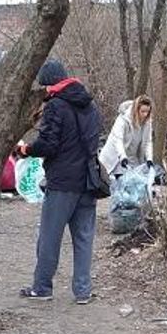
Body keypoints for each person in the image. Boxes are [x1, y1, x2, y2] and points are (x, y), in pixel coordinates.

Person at [15, 59, 102, 305]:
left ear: (49, 84)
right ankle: (83, 292)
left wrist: (25, 149)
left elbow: (48, 145)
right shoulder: (90, 106)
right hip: (88, 181)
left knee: (49, 237)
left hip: (62, 182)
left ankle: (42, 288)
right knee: (84, 239)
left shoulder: (55, 106)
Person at [99, 95, 153, 177]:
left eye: (147, 112)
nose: (145, 115)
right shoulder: (123, 119)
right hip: (115, 159)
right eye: (143, 111)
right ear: (136, 110)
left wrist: (149, 158)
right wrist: (122, 156)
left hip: (133, 158)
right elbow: (118, 140)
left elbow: (148, 142)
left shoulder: (147, 122)